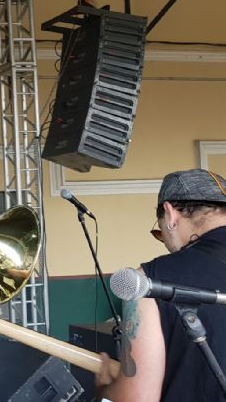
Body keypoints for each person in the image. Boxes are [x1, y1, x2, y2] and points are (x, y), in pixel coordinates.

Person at [96, 169, 226, 401]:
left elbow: (137, 398)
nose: (165, 243)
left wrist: (105, 388)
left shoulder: (147, 281)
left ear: (170, 214)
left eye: (161, 232)